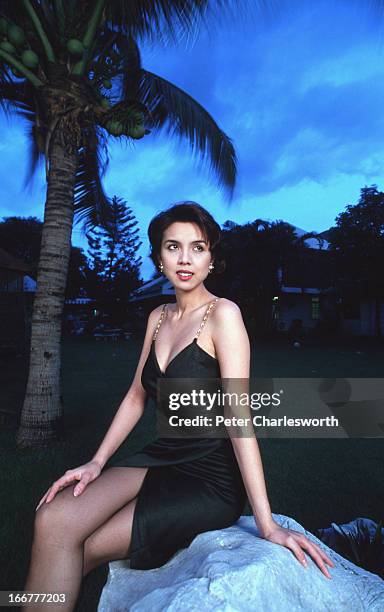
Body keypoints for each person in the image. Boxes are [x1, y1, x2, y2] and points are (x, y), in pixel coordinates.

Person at [25, 202, 334, 612]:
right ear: (159, 258)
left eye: (198, 247)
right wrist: (96, 462)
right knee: (53, 520)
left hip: (209, 477)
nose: (185, 258)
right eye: (174, 247)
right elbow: (137, 395)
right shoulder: (157, 317)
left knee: (84, 546)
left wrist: (267, 523)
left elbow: (240, 419)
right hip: (163, 455)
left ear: (211, 260)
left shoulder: (224, 315)